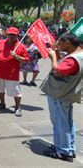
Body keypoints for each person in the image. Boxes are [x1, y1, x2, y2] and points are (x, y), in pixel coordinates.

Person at [41, 33, 82, 162]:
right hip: (66, 93)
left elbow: (57, 71)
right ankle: (68, 148)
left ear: (67, 43)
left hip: (61, 94)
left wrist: (53, 56)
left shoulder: (73, 59)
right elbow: (62, 65)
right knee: (67, 122)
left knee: (60, 122)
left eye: (60, 42)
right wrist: (57, 53)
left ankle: (63, 151)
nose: (57, 44)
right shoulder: (77, 55)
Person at [0, 27, 29, 117]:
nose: (11, 36)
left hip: (12, 74)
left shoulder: (20, 46)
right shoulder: (0, 42)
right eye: (9, 34)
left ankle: (17, 107)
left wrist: (16, 56)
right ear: (6, 34)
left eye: (13, 35)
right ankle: (2, 103)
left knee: (16, 92)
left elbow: (26, 60)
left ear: (17, 36)